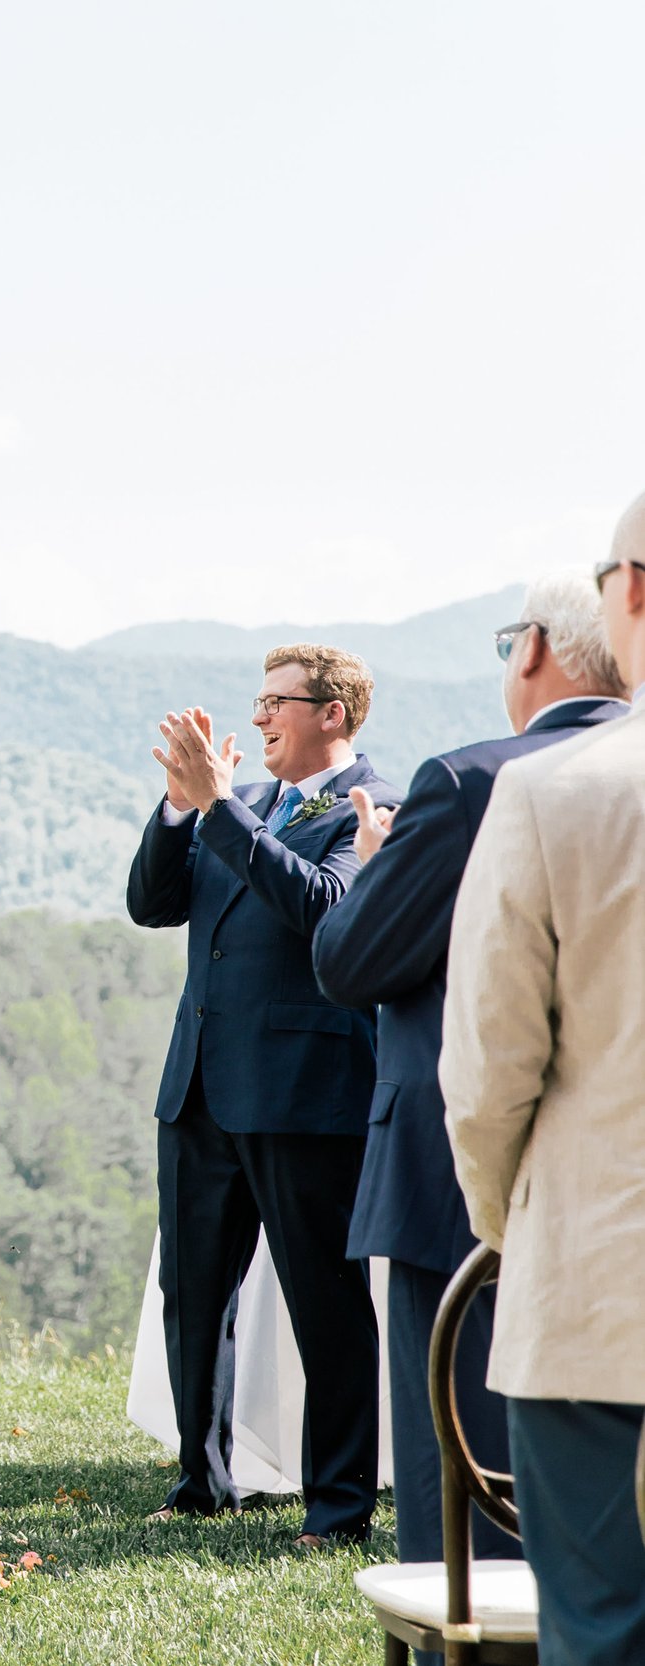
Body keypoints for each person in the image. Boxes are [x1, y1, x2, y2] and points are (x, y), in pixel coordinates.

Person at [313, 571, 627, 1587]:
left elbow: (351, 962)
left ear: (533, 647)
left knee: (468, 1496)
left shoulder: (468, 783)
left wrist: (371, 869)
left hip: (460, 1182)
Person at [125, 645, 397, 1548]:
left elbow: (328, 910)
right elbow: (151, 904)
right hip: (200, 1083)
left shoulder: (376, 805)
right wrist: (178, 806)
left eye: (281, 700)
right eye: (261, 698)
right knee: (193, 1293)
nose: (263, 714)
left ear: (335, 713)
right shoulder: (245, 808)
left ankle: (341, 1504)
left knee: (327, 1301)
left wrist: (222, 808)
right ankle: (199, 1479)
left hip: (304, 1091)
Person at [442, 497, 645, 1665]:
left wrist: (511, 1226)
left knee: (603, 1632)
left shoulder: (555, 793)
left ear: (627, 591)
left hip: (597, 1292)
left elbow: (484, 1074)